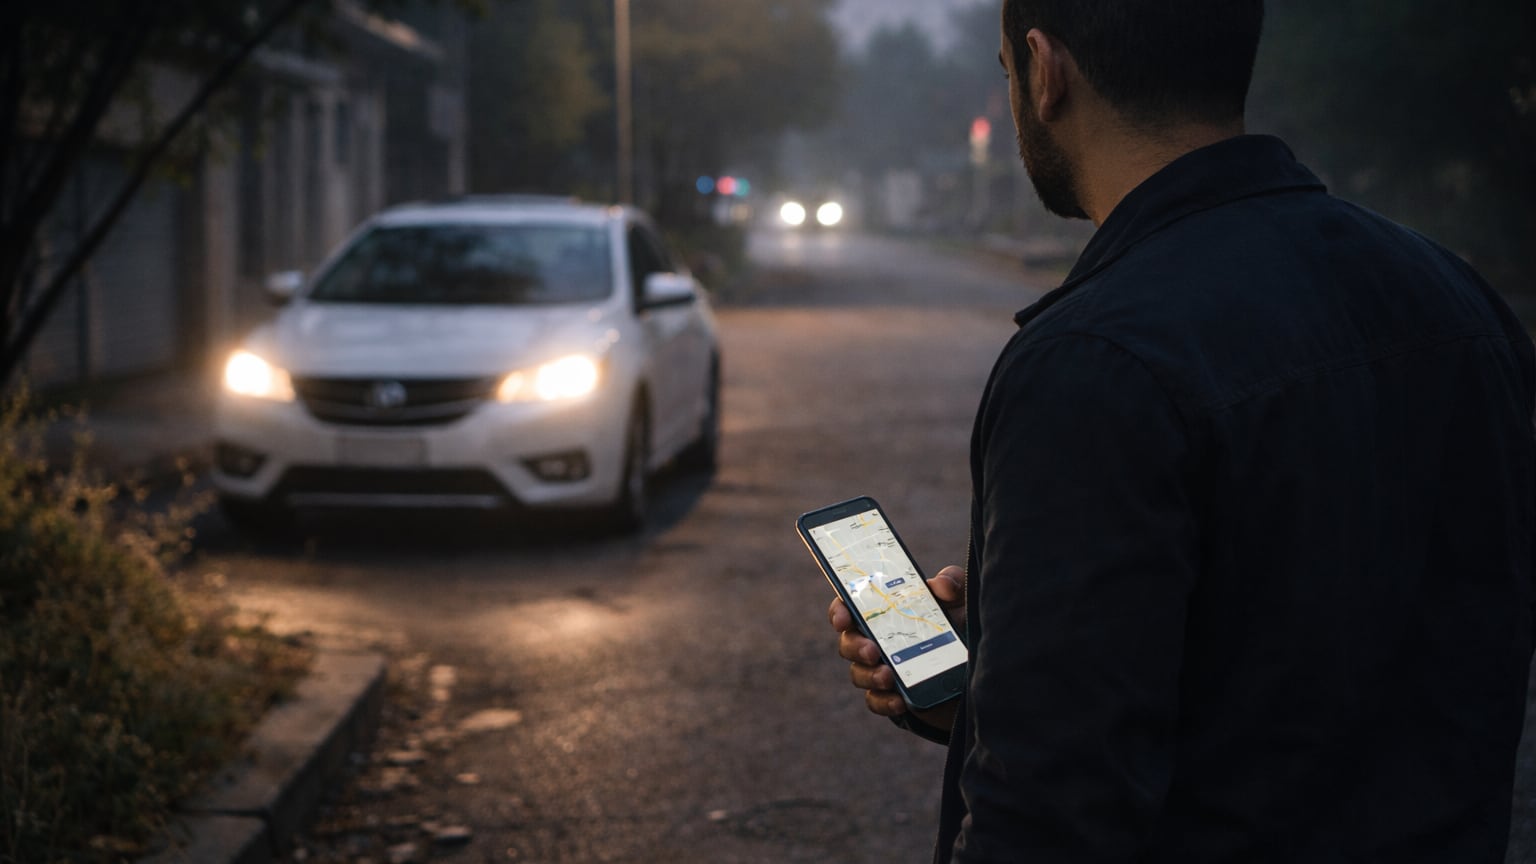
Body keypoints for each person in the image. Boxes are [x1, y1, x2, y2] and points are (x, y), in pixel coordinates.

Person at [826, 1, 1536, 861]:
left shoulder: (1094, 359)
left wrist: (1033, 680)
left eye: (1008, 73)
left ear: (1046, 72)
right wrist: (1007, 671)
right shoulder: (1458, 300)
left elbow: (1049, 814)